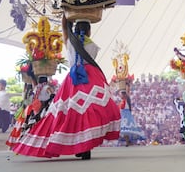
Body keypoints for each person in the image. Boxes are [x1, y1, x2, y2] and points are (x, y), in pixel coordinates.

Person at [13, 15, 121, 159]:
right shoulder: (93, 46)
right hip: (91, 78)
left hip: (74, 80)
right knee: (90, 111)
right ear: (88, 31)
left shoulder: (70, 41)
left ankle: (79, 146)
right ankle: (85, 147)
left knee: (71, 113)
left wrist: (66, 14)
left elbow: (64, 28)